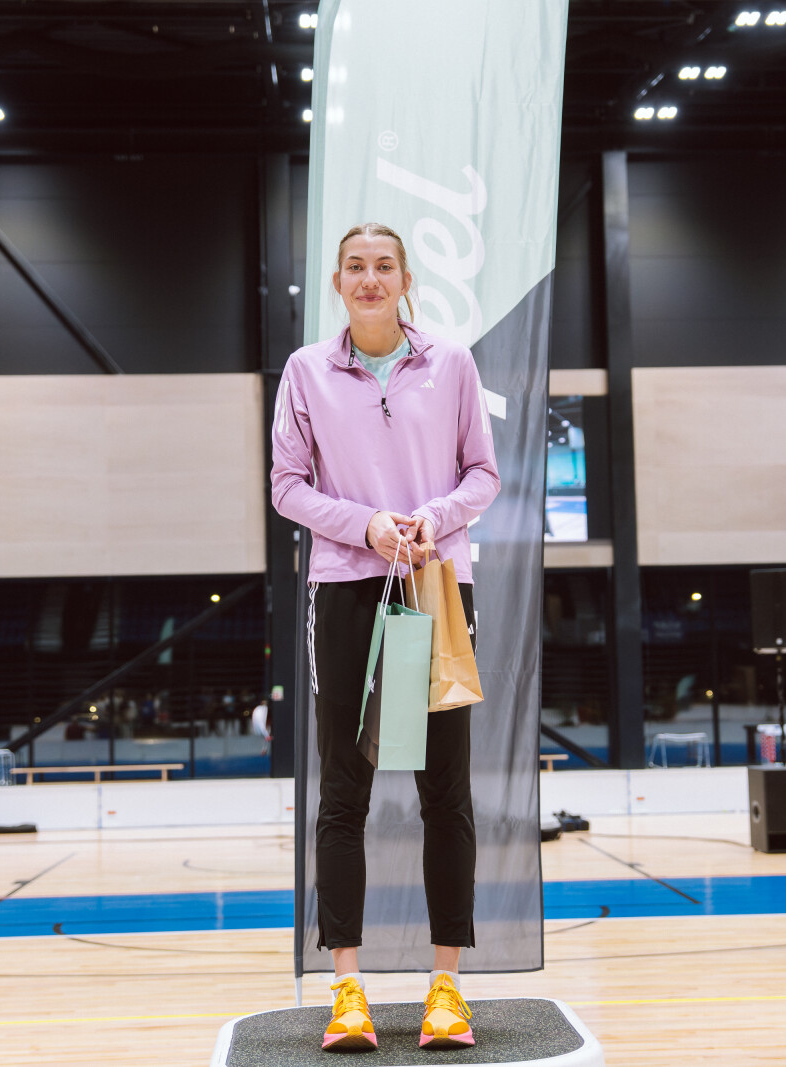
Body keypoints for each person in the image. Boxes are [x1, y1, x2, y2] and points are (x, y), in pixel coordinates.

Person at [270, 222, 499, 1052]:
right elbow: (287, 486)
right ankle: (348, 990)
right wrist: (365, 525)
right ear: (337, 282)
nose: (370, 279)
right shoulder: (305, 371)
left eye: (384, 266)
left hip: (435, 585)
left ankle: (447, 988)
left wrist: (431, 518)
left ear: (406, 279)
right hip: (345, 589)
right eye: (356, 267)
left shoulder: (453, 364)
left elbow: (484, 474)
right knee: (344, 791)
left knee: (447, 790)